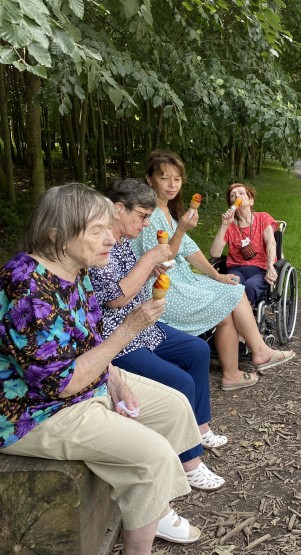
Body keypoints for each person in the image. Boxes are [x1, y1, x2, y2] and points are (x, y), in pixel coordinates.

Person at [0, 184, 205, 551]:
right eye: (97, 230)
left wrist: (112, 376)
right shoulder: (27, 287)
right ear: (56, 234)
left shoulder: (73, 269)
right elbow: (60, 384)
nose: (110, 238)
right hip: (33, 413)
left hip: (83, 383)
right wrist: (129, 330)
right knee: (153, 455)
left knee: (173, 407)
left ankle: (152, 507)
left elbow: (87, 345)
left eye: (108, 227)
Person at [89, 178, 227, 491]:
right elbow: (114, 297)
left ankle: (200, 426)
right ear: (118, 209)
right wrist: (148, 260)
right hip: (118, 337)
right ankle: (188, 462)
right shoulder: (99, 241)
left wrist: (149, 271)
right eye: (142, 216)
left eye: (150, 217)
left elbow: (129, 282)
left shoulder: (122, 237)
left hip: (143, 325)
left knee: (197, 351)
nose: (147, 223)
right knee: (180, 381)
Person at [130, 150, 295, 391]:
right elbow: (164, 257)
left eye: (177, 179)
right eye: (165, 178)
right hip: (162, 288)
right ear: (149, 179)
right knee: (234, 293)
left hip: (181, 280)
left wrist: (216, 275)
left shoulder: (166, 210)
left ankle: (234, 373)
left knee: (228, 297)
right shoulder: (148, 213)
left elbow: (191, 250)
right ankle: (258, 353)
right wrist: (182, 230)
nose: (172, 184)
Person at [209, 182, 277, 306]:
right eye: (233, 196)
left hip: (261, 269)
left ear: (250, 201)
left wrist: (270, 266)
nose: (237, 197)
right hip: (237, 269)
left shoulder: (263, 218)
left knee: (250, 286)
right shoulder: (229, 226)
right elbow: (215, 253)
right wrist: (224, 225)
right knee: (233, 286)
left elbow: (271, 243)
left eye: (241, 193)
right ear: (231, 204)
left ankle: (243, 318)